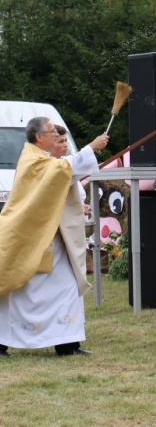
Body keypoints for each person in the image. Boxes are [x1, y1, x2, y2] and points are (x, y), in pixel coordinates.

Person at [0, 117, 108, 357]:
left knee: (69, 287)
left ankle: (67, 343)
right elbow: (59, 171)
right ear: (40, 137)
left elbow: (61, 173)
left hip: (53, 240)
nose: (56, 136)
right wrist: (91, 147)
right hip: (32, 240)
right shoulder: (33, 160)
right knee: (17, 289)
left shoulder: (42, 159)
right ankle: (1, 341)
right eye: (51, 132)